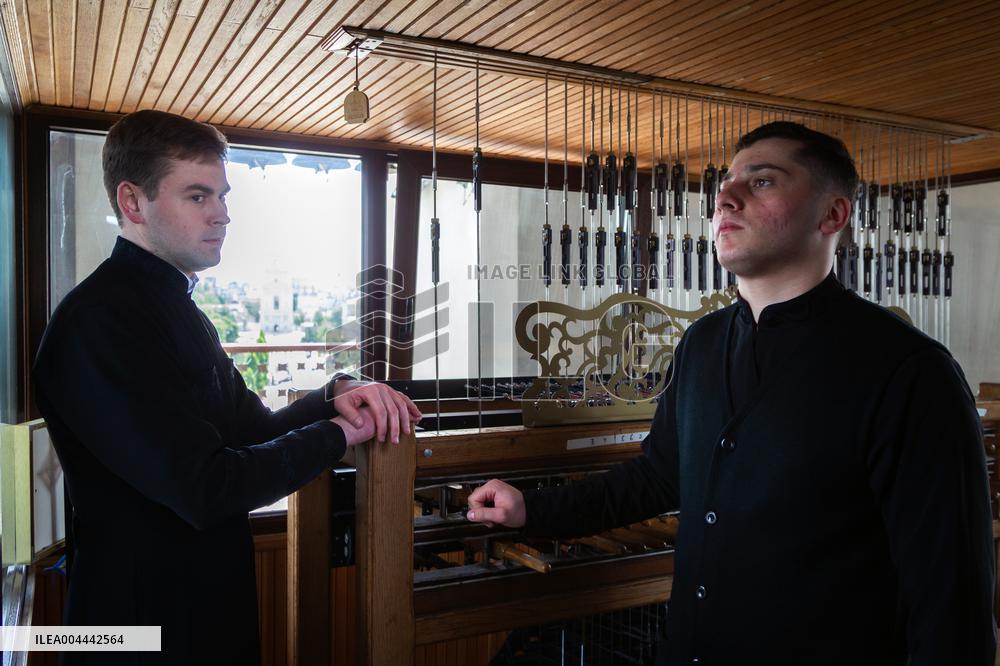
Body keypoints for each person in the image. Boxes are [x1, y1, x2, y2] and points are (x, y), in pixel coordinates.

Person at [468, 122, 996, 665]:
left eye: (763, 181)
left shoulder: (911, 372)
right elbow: (658, 476)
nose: (725, 196)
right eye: (726, 182)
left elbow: (952, 603)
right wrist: (531, 508)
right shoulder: (701, 344)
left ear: (831, 215)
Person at [32, 109, 420, 665]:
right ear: (132, 202)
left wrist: (334, 395)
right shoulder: (101, 321)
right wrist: (338, 434)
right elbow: (206, 485)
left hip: (203, 615)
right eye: (197, 197)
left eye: (223, 195)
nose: (222, 215)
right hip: (138, 631)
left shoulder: (178, 308)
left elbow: (251, 430)